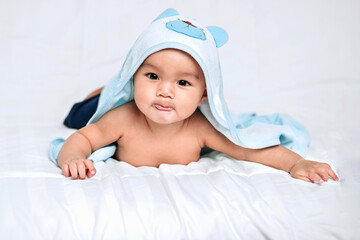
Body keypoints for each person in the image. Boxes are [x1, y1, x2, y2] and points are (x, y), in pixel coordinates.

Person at [52, 8, 338, 183]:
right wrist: (73, 158)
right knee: (79, 116)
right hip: (110, 104)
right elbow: (83, 138)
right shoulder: (123, 117)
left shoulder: (200, 127)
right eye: (152, 76)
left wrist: (296, 164)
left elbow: (247, 148)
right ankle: (104, 91)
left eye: (183, 83)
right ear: (133, 76)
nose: (165, 90)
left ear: (204, 95)